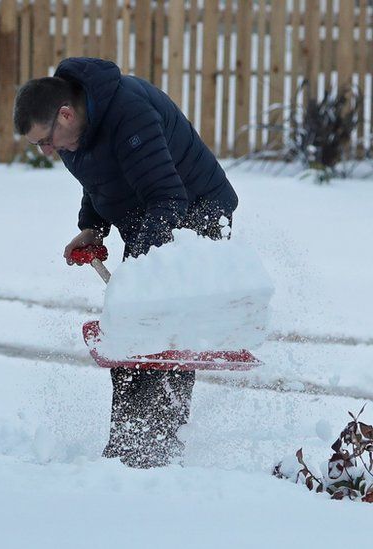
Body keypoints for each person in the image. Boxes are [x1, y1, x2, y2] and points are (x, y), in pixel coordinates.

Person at [13, 57, 239, 468]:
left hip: (197, 213)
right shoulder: (73, 132)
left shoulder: (129, 112)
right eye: (37, 145)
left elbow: (168, 197)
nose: (46, 151)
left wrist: (136, 278)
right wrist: (93, 226)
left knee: (158, 333)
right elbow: (99, 176)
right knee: (133, 334)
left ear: (65, 113)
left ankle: (154, 451)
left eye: (45, 140)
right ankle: (129, 447)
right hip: (152, 213)